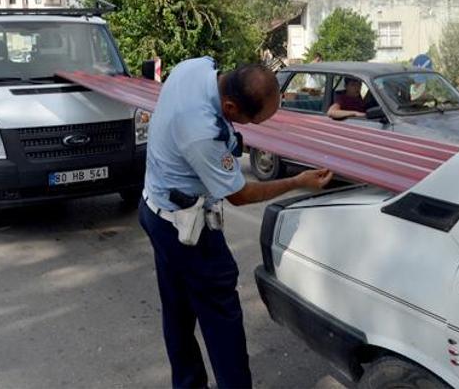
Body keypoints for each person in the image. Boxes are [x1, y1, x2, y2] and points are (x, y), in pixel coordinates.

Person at [138, 56, 333, 389]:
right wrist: (298, 181)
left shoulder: (195, 68)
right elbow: (240, 195)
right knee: (221, 318)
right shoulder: (201, 132)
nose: (251, 128)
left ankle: (187, 384)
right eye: (252, 121)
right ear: (229, 106)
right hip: (187, 232)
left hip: (156, 209)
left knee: (178, 311)